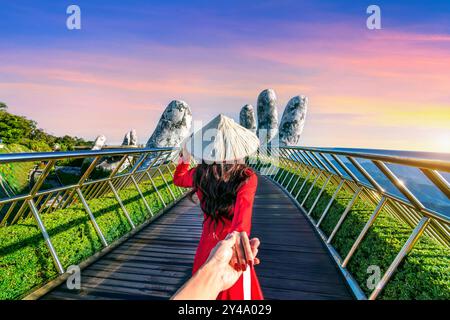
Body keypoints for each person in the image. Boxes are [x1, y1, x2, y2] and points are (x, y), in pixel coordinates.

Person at [173, 114, 263, 300]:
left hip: (207, 246)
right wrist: (237, 244)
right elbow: (242, 221)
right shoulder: (246, 177)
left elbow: (179, 179)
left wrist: (185, 158)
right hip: (231, 250)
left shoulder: (200, 173)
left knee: (203, 290)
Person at [171, 232, 260, 300]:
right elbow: (241, 224)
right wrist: (236, 237)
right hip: (232, 253)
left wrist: (216, 273)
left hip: (210, 249)